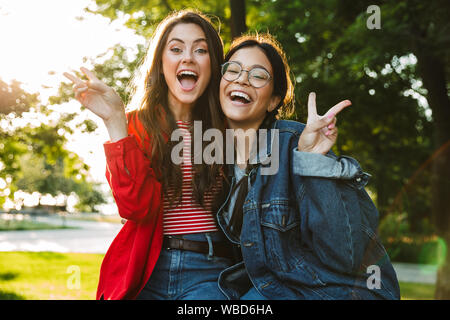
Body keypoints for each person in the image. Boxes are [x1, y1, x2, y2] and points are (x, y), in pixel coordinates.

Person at [63, 10, 235, 300]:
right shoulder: (134, 126)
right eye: (176, 48)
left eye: (201, 49)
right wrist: (115, 121)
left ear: (214, 63)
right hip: (146, 269)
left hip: (209, 271)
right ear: (161, 63)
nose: (188, 58)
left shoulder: (228, 127)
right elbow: (136, 208)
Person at [215, 34, 401, 300]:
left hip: (339, 290)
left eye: (258, 76)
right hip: (274, 290)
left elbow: (344, 254)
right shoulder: (208, 155)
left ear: (273, 101)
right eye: (232, 70)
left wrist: (313, 162)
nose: (242, 79)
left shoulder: (297, 143)